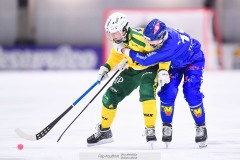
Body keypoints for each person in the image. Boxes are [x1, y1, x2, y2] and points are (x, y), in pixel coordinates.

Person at [121, 19, 208, 148]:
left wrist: (126, 52)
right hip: (175, 62)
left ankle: (201, 126)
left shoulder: (168, 46)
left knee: (191, 92)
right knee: (168, 92)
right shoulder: (160, 37)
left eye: (151, 40)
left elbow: (146, 60)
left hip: (193, 60)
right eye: (147, 39)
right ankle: (167, 125)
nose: (148, 43)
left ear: (162, 37)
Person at [87, 13, 170, 146]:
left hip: (149, 69)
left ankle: (150, 129)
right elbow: (116, 55)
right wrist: (106, 67)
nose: (112, 36)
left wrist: (163, 70)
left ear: (124, 30)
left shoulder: (140, 38)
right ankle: (104, 131)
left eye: (115, 33)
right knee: (110, 96)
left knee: (146, 92)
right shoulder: (119, 41)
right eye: (110, 33)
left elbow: (163, 52)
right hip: (132, 70)